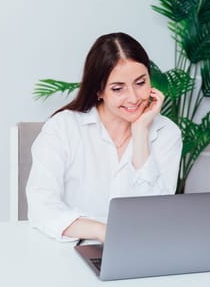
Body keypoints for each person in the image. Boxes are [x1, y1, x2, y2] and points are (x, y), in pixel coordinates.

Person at [26, 32, 182, 242]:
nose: (134, 97)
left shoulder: (166, 133)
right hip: (70, 250)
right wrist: (102, 232)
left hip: (140, 247)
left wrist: (140, 132)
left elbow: (156, 214)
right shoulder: (62, 128)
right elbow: (41, 208)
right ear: (99, 90)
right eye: (118, 88)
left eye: (140, 82)